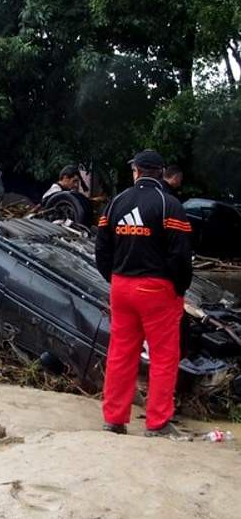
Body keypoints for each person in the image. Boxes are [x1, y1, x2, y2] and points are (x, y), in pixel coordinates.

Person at [95, 149, 192, 439]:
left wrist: (113, 277)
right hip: (156, 289)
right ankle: (157, 423)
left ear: (136, 171)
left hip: (121, 287)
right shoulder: (169, 205)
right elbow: (181, 256)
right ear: (161, 173)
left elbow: (101, 249)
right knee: (163, 356)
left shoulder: (116, 203)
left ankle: (114, 420)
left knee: (121, 353)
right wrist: (178, 289)